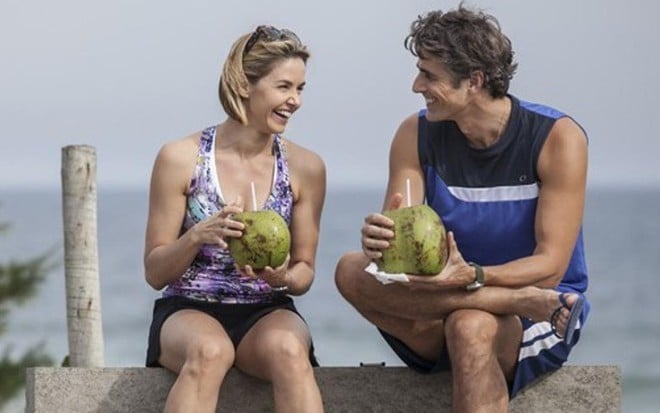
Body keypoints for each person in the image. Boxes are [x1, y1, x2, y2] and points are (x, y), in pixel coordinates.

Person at [334, 4, 590, 412]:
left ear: (474, 81)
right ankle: (510, 300)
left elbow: (551, 266)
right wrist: (381, 242)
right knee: (349, 269)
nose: (416, 86)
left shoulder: (557, 138)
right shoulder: (414, 133)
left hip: (539, 314)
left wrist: (474, 277)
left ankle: (510, 305)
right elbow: (401, 253)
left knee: (470, 325)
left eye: (429, 75)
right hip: (447, 305)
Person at [143, 25, 325, 413]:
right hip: (188, 308)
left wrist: (284, 278)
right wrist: (197, 237)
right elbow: (155, 271)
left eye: (300, 89)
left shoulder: (306, 168)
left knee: (292, 352)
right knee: (211, 351)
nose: (295, 101)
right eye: (284, 87)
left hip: (266, 310)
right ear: (244, 84)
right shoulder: (181, 158)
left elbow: (305, 270)